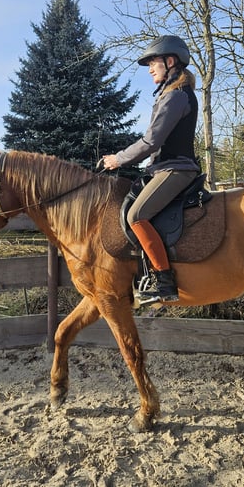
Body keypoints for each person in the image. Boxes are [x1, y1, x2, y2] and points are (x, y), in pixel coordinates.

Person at [102, 35, 200, 304]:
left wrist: (118, 159)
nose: (149, 68)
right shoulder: (171, 94)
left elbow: (151, 141)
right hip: (164, 168)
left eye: (153, 62)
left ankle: (164, 280)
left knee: (136, 215)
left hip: (176, 170)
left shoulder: (176, 96)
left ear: (171, 62)